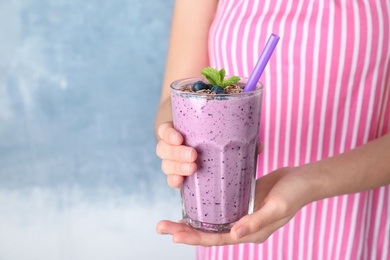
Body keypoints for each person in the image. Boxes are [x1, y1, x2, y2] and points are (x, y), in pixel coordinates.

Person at [154, 0, 390, 259]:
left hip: (351, 222)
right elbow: (175, 101)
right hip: (231, 226)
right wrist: (172, 141)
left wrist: (309, 181)